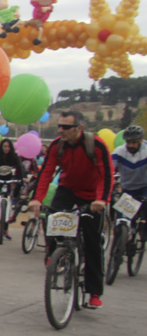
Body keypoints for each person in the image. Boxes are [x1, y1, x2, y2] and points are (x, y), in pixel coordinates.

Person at [27, 111, 113, 309]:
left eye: (66, 127)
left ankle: (94, 292)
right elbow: (46, 172)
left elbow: (106, 174)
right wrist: (37, 199)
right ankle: (53, 251)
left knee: (92, 242)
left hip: (92, 194)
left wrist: (101, 200)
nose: (61, 130)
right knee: (51, 217)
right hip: (68, 189)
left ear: (79, 129)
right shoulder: (58, 145)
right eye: (59, 126)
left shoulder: (96, 144)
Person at [112, 125, 146, 200]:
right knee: (121, 212)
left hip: (144, 188)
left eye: (134, 142)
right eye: (128, 142)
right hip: (127, 190)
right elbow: (109, 170)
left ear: (141, 140)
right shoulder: (118, 152)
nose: (130, 145)